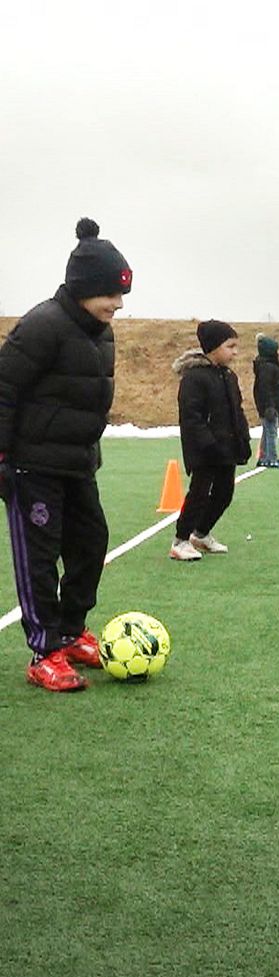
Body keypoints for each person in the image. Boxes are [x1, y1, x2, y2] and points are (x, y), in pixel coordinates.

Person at [0, 218, 130, 691]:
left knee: (92, 541)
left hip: (77, 463)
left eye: (122, 297)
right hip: (32, 466)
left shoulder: (101, 331)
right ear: (82, 288)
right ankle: (44, 650)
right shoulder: (41, 326)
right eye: (110, 296)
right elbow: (5, 390)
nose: (117, 305)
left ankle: (73, 630)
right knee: (40, 557)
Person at [169, 321, 252, 562]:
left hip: (227, 448)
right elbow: (191, 417)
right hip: (205, 450)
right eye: (230, 346)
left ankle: (201, 534)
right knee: (199, 494)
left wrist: (243, 439)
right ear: (214, 347)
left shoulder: (228, 376)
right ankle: (180, 540)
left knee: (225, 493)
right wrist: (209, 444)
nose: (235, 352)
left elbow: (237, 410)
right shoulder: (194, 379)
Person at [253, 334, 279, 468]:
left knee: (267, 430)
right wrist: (270, 406)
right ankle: (272, 458)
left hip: (270, 404)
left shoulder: (266, 366)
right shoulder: (267, 367)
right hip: (269, 405)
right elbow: (265, 389)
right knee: (271, 431)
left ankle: (263, 457)